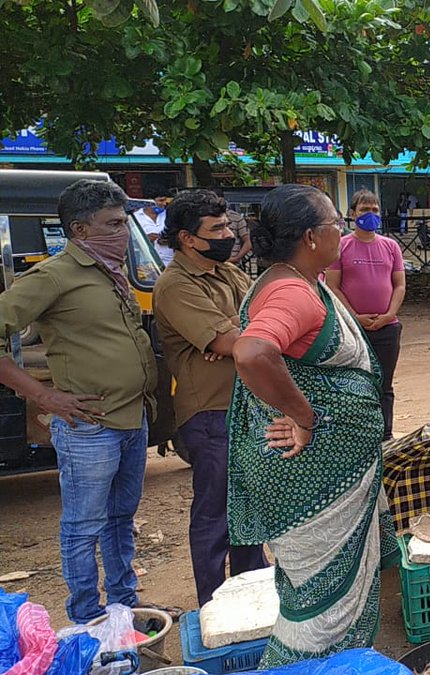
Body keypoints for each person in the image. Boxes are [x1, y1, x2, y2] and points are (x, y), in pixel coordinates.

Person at [229, 184, 400, 667]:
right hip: (313, 479)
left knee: (324, 596)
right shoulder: (292, 291)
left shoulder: (297, 279)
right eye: (335, 225)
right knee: (319, 611)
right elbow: (253, 351)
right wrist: (306, 417)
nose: (344, 231)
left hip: (326, 476)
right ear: (309, 237)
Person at [0, 179, 161, 623]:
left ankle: (124, 607)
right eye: (112, 224)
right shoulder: (54, 276)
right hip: (89, 426)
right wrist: (42, 395)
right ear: (80, 230)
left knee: (120, 520)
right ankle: (87, 616)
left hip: (131, 419)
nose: (123, 232)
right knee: (83, 527)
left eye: (124, 222)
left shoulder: (111, 273)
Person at [154, 189, 268, 607]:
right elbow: (232, 339)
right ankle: (215, 607)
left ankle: (251, 600)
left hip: (245, 408)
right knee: (215, 516)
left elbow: (261, 319)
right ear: (187, 238)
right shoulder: (175, 286)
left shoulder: (226, 273)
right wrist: (234, 339)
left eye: (226, 225)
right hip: (210, 413)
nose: (228, 234)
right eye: (216, 228)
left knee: (248, 513)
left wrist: (240, 338)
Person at [326, 189, 406, 439]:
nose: (370, 215)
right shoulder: (340, 246)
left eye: (374, 210)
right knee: (353, 381)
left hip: (387, 327)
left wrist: (389, 314)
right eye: (364, 210)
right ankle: (356, 435)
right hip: (353, 328)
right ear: (352, 214)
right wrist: (354, 317)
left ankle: (385, 434)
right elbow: (332, 286)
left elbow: (399, 284)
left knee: (384, 384)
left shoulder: (391, 247)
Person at [133, 189, 175, 267]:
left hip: (170, 263)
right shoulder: (136, 217)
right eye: (161, 201)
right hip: (147, 264)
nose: (164, 203)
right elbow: (131, 242)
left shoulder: (170, 215)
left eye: (165, 200)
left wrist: (169, 240)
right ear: (149, 202)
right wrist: (145, 239)